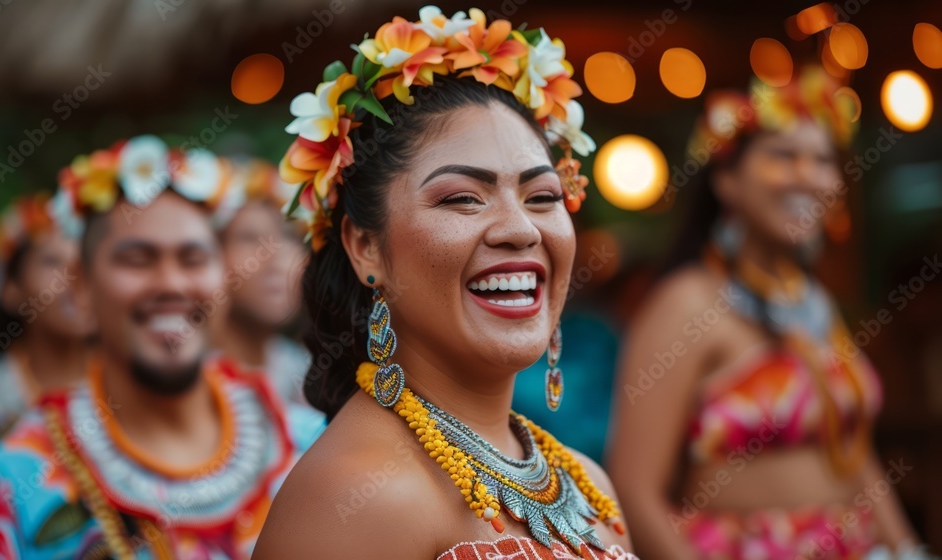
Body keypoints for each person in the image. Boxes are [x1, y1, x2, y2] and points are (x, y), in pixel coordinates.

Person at [253, 6, 637, 559]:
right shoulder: (357, 497)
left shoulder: (591, 487)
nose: (519, 228)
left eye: (543, 197)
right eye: (462, 198)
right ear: (366, 248)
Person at [607, 67, 928, 559]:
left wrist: (906, 549)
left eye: (823, 160)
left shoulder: (814, 303)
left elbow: (854, 456)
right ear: (727, 181)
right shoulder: (687, 302)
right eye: (783, 156)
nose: (809, 175)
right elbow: (633, 488)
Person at [0, 135, 296, 558]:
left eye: (193, 258)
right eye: (137, 259)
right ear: (82, 287)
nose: (171, 283)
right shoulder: (9, 486)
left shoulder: (308, 447)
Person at [0, 193, 93, 494]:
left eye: (85, 263)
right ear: (10, 288)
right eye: (53, 262)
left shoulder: (137, 394)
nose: (75, 279)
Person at [211, 158, 325, 452]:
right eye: (250, 238)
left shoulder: (307, 371)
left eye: (289, 237)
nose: (276, 258)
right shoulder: (180, 375)